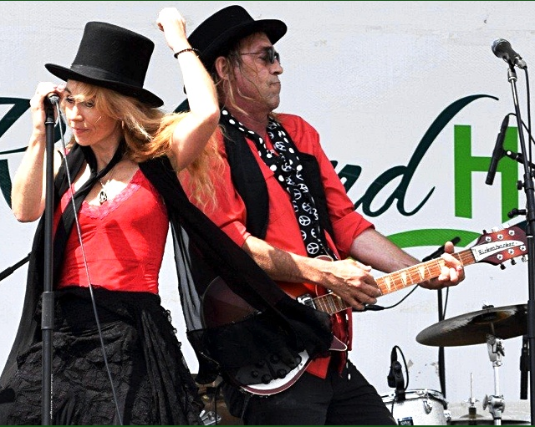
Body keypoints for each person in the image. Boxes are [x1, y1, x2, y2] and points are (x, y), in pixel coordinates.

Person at [177, 5, 467, 425]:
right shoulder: (207, 142)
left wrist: (421, 271)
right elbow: (230, 243)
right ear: (224, 68)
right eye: (265, 56)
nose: (278, 67)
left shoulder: (298, 132)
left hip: (327, 346)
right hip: (268, 351)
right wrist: (326, 273)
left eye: (277, 56)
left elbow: (346, 224)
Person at [0, 8, 220, 425]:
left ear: (118, 109)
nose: (75, 114)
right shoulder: (64, 163)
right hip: (64, 332)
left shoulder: (157, 161)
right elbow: (24, 210)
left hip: (129, 334)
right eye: (70, 100)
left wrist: (179, 41)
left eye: (89, 104)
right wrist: (38, 133)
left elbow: (206, 114)